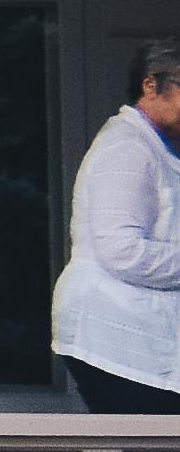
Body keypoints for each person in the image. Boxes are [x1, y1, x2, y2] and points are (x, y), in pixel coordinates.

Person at [57, 40, 180, 415]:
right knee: (150, 448)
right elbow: (123, 252)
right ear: (150, 85)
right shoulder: (128, 149)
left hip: (139, 341)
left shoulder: (152, 146)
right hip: (116, 336)